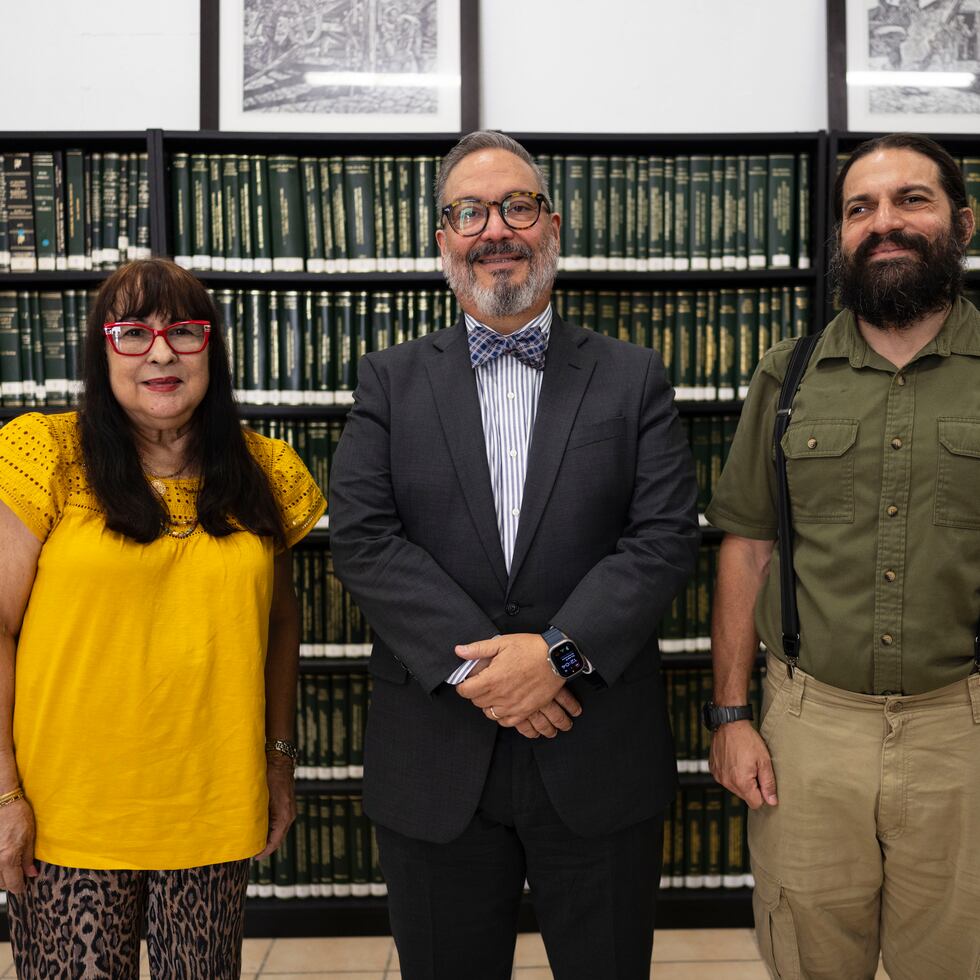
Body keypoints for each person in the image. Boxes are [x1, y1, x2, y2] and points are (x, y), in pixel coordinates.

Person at [328, 131, 699, 980]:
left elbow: (663, 537)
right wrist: (490, 673)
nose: (495, 228)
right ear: (444, 241)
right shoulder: (389, 380)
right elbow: (364, 538)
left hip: (597, 750)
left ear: (552, 227)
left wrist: (557, 656)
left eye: (517, 206)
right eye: (470, 212)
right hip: (437, 757)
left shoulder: (632, 375)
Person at [0, 259, 325, 977]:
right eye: (132, 333)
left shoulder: (267, 470)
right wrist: (2, 794)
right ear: (102, 351)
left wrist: (278, 759)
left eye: (183, 331)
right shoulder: (44, 454)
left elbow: (278, 624)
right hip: (69, 817)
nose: (160, 353)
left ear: (211, 348)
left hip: (212, 807)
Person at [706, 133, 980, 980]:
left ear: (963, 223)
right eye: (860, 208)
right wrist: (729, 717)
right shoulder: (785, 377)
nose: (883, 222)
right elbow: (747, 549)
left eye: (911, 200)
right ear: (841, 236)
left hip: (964, 731)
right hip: (808, 733)